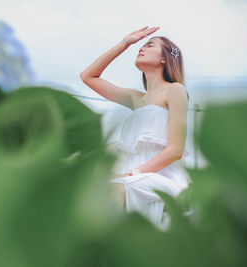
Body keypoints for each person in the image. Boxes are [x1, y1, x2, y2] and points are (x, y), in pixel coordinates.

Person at [80, 26, 191, 230]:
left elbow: (175, 150)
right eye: (141, 45)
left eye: (150, 45)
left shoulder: (175, 90)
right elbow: (88, 76)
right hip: (130, 173)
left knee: (109, 195)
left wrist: (132, 174)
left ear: (165, 58)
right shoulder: (135, 98)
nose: (141, 48)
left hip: (161, 174)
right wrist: (124, 43)